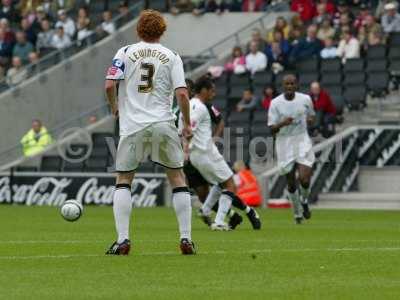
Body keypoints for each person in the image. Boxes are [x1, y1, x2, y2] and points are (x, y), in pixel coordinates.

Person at [104, 10, 195, 255]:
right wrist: (186, 123)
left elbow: (110, 84)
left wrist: (115, 107)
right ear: (162, 30)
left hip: (133, 125)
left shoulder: (124, 52)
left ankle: (123, 240)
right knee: (177, 178)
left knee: (124, 180)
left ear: (138, 30)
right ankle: (186, 239)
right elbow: (183, 94)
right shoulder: (172, 56)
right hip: (163, 123)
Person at [179, 76, 261, 230]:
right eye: (211, 91)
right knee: (231, 184)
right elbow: (188, 129)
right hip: (204, 152)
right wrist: (187, 145)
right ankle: (219, 221)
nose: (214, 94)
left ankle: (205, 210)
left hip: (197, 155)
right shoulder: (200, 107)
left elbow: (182, 128)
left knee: (220, 183)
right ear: (203, 90)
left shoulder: (186, 107)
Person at [268, 74, 315, 224]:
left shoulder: (305, 99)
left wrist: (310, 120)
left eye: (292, 83)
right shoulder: (275, 103)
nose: (289, 86)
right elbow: (271, 129)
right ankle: (297, 212)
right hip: (284, 143)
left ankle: (305, 201)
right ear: (283, 86)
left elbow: (312, 116)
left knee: (304, 178)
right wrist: (283, 123)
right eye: (287, 84)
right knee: (290, 182)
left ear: (297, 85)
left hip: (302, 139)